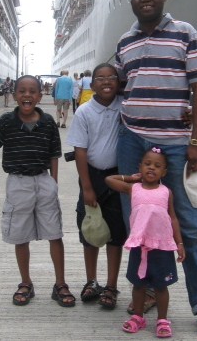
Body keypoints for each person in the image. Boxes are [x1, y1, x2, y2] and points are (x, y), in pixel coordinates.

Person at [115, 0, 197, 339]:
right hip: (132, 139)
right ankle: (146, 290)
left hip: (177, 144)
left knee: (189, 225)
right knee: (138, 222)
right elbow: (122, 87)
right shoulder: (125, 41)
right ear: (130, 2)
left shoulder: (185, 32)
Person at [0, 75, 76, 308]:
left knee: (55, 233)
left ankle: (60, 283)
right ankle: (25, 282)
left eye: (32, 91)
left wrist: (54, 183)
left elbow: (54, 154)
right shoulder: (6, 122)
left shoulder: (48, 122)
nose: (27, 95)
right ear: (14, 95)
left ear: (40, 96)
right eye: (22, 91)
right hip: (18, 183)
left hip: (43, 181)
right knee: (20, 235)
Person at [105, 147, 185, 338]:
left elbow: (173, 218)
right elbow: (109, 180)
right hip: (140, 246)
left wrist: (179, 243)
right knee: (138, 285)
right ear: (140, 167)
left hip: (162, 246)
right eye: (147, 164)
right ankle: (138, 317)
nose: (151, 168)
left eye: (157, 166)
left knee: (161, 286)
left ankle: (162, 320)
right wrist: (130, 178)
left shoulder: (166, 192)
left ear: (164, 172)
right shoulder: (134, 189)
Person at [66, 63, 127, 310]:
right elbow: (80, 150)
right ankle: (91, 280)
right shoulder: (84, 111)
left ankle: (111, 285)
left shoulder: (124, 107)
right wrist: (87, 187)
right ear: (92, 85)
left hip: (119, 177)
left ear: (119, 82)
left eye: (111, 77)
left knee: (116, 233)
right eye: (100, 78)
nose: (106, 82)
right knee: (89, 230)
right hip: (92, 176)